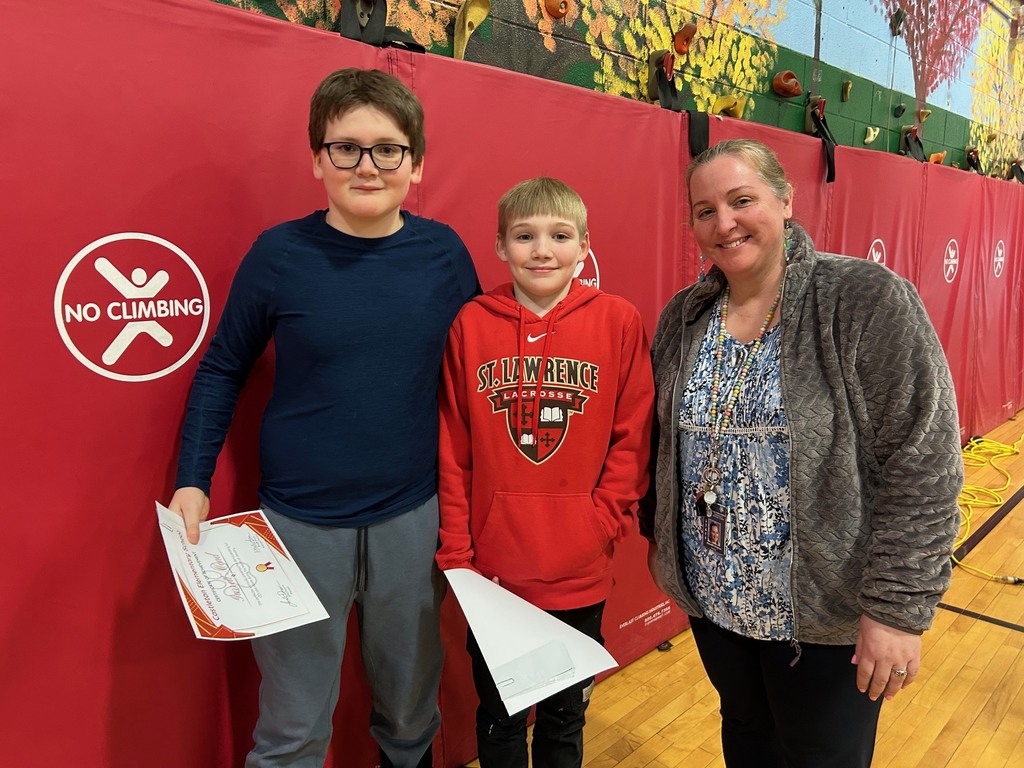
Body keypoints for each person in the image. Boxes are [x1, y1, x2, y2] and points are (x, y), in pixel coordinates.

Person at [168, 67, 480, 768]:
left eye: (387, 148)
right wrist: (192, 477)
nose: (366, 165)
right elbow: (223, 367)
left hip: (412, 518)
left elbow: (475, 381)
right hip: (299, 525)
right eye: (346, 148)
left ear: (417, 162)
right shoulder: (279, 255)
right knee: (292, 728)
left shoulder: (445, 255)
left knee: (408, 712)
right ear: (318, 159)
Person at [639, 139, 962, 767]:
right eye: (705, 211)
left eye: (742, 200)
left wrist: (896, 611)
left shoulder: (863, 299)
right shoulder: (685, 317)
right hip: (717, 607)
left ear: (786, 200)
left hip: (824, 620)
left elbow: (924, 463)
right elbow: (661, 448)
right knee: (749, 746)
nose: (724, 223)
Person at [435, 177, 655, 768]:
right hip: (495, 570)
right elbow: (454, 448)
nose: (541, 250)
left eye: (559, 236)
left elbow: (632, 438)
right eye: (524, 236)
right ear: (501, 246)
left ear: (584, 248)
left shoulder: (617, 321)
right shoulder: (472, 324)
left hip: (578, 569)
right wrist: (457, 551)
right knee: (500, 715)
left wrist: (601, 522)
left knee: (564, 716)